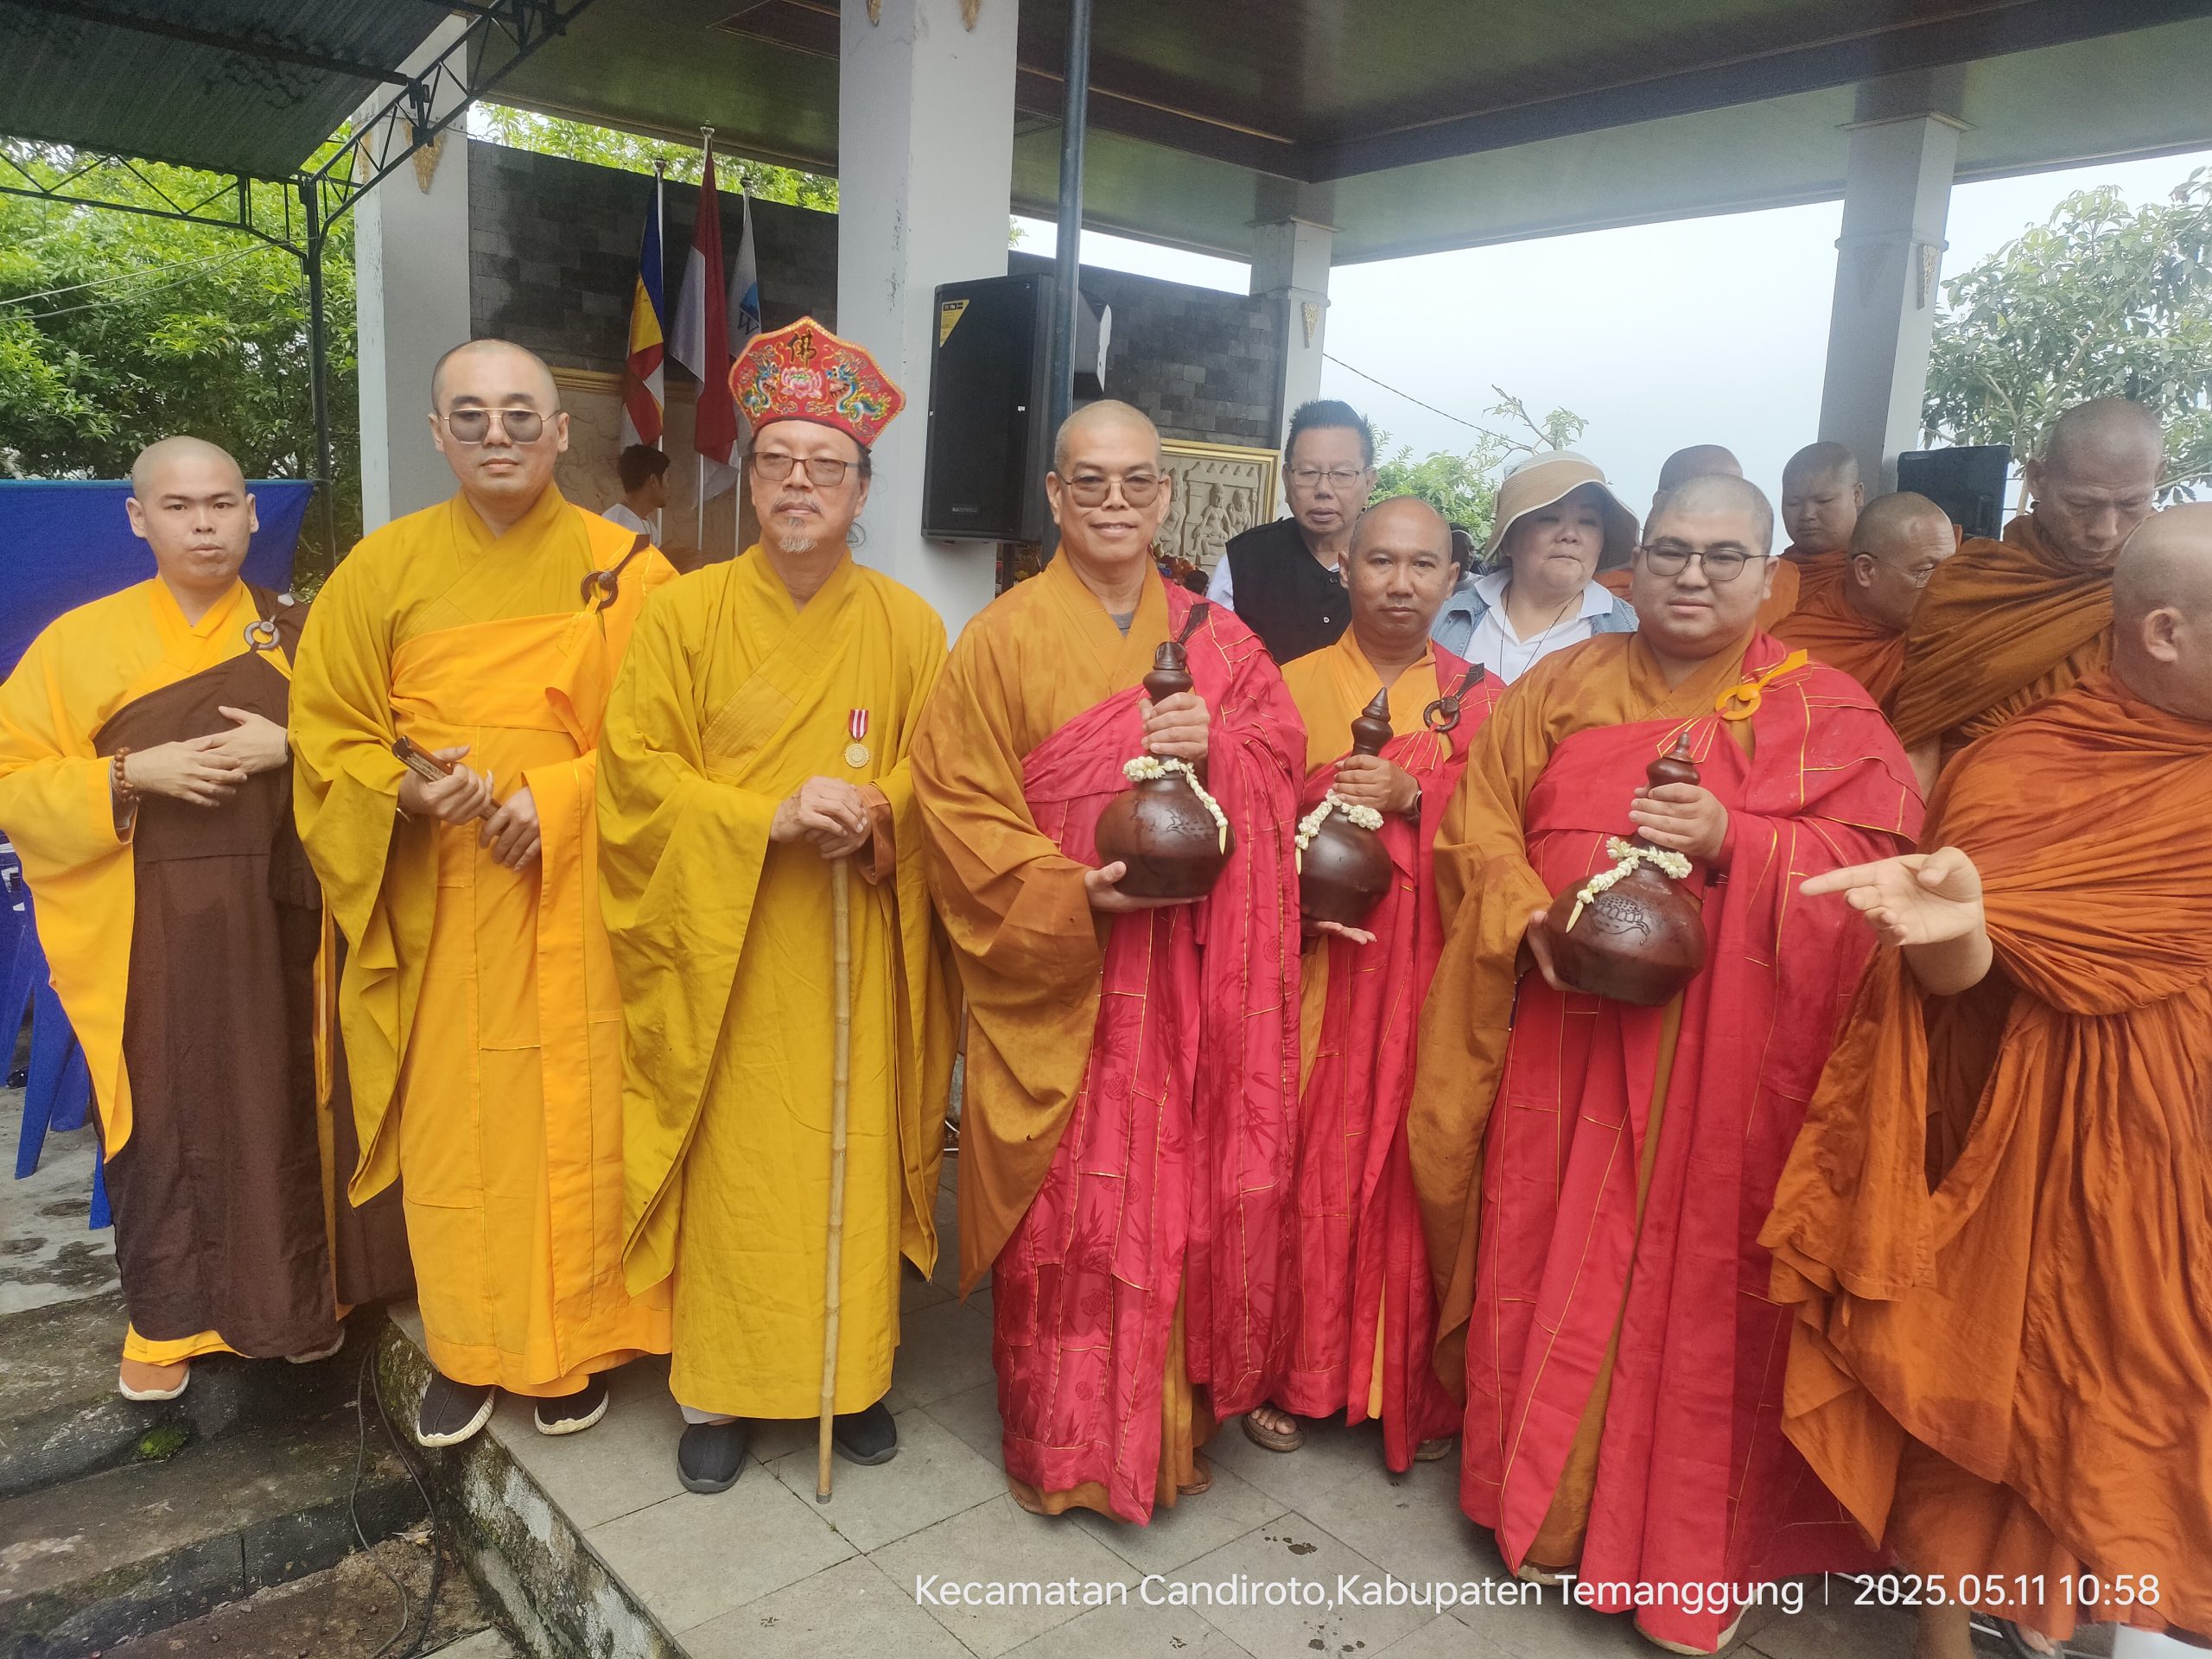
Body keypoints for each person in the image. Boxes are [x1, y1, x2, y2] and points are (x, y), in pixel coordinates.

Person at [1408, 474, 1922, 1655]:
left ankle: (1679, 1548)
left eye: (1725, 558)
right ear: (1637, 566)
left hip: (1721, 1076)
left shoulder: (1828, 712)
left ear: (1770, 574)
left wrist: (1738, 841)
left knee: (1686, 1291)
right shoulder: (1565, 684)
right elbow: (1478, 820)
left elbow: (1877, 871)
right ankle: (1534, 1504)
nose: (1694, 577)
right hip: (1564, 1035)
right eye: (1675, 552)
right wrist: (1528, 912)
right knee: (1544, 1244)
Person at [1764, 505, 2212, 1658]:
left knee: (2149, 1407)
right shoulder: (2022, 767)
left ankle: (2102, 1611)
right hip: (2045, 1154)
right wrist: (1954, 931)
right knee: (2005, 1376)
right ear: (2165, 630)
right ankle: (1951, 1634)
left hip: (2189, 1152)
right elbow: (1961, 977)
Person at [912, 399, 1304, 1524]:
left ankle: (1166, 1434)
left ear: (1166, 496)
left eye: (1138, 483)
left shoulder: (1223, 644)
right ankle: (1067, 1442)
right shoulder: (1001, 637)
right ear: (1054, 496)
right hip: (1069, 982)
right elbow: (956, 804)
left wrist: (1218, 746)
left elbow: (1284, 766)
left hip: (1188, 979)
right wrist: (1056, 887)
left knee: (1175, 1202)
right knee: (1071, 1221)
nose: (1116, 503)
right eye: (1092, 483)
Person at [293, 339, 676, 1448]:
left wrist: (558, 799)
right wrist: (402, 794)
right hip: (447, 902)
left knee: (582, 1118)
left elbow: (669, 743)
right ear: (437, 436)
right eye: (472, 416)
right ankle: (468, 1349)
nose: (497, 434)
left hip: (580, 899)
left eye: (521, 415)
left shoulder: (631, 572)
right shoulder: (383, 571)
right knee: (462, 1133)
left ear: (564, 432)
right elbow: (327, 734)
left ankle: (572, 1349)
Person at [599, 319, 956, 1494]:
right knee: (742, 1171)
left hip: (853, 939)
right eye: (777, 461)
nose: (799, 484)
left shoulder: (909, 627)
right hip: (729, 951)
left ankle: (847, 1382)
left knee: (845, 1158)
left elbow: (939, 772)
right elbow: (635, 772)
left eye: (826, 465)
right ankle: (717, 1391)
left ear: (861, 487)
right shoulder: (683, 615)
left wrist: (875, 807)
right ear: (747, 477)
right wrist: (762, 817)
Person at [0, 439, 406, 1401]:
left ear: (252, 514)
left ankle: (302, 1305)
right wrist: (130, 773)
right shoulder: (79, 643)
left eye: (222, 504)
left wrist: (295, 741)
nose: (204, 525)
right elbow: (12, 781)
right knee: (164, 1112)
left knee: (286, 1103)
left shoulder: (298, 634)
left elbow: (383, 752)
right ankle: (168, 1321)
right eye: (179, 508)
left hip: (283, 919)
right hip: (148, 921)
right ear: (139, 519)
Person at [1245, 496, 1502, 1470]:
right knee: (1301, 1158)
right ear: (1343, 566)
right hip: (1311, 967)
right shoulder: (1285, 685)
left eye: (1423, 566)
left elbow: (1505, 843)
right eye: (1380, 562)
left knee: (1412, 1164)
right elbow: (1247, 811)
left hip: (1424, 981)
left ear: (1452, 578)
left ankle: (1400, 1385)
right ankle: (1290, 1372)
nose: (1400, 584)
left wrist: (1421, 793)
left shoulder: (1483, 702)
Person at [1889, 397, 2164, 786]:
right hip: (1969, 814)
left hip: (2119, 820)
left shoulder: (2173, 585)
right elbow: (1920, 735)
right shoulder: (1969, 585)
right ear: (2037, 478)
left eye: (2132, 502)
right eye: (2081, 503)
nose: (2105, 529)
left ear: (2159, 476)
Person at [1430, 452, 1637, 680]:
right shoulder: (1444, 618)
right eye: (1550, 518)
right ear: (1508, 539)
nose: (1570, 535)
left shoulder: (1632, 635)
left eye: (1588, 521)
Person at [1206, 399, 1376, 662]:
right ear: (1286, 479)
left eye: (1342, 474)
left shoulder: (1393, 566)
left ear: (1368, 483)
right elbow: (1213, 660)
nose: (1323, 489)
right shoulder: (1244, 560)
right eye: (1308, 472)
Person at [1772, 491, 1956, 704]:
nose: (1943, 587)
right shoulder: (1793, 653)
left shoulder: (1947, 637)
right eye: (1925, 571)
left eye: (1950, 569)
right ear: (1866, 570)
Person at [1777, 440, 1864, 604]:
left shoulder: (1880, 572)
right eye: (1793, 503)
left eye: (1824, 501)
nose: (1807, 514)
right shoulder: (1767, 575)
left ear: (1857, 495)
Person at [603, 442, 669, 538]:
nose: (669, 487)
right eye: (668, 479)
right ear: (653, 481)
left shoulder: (649, 525)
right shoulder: (618, 524)